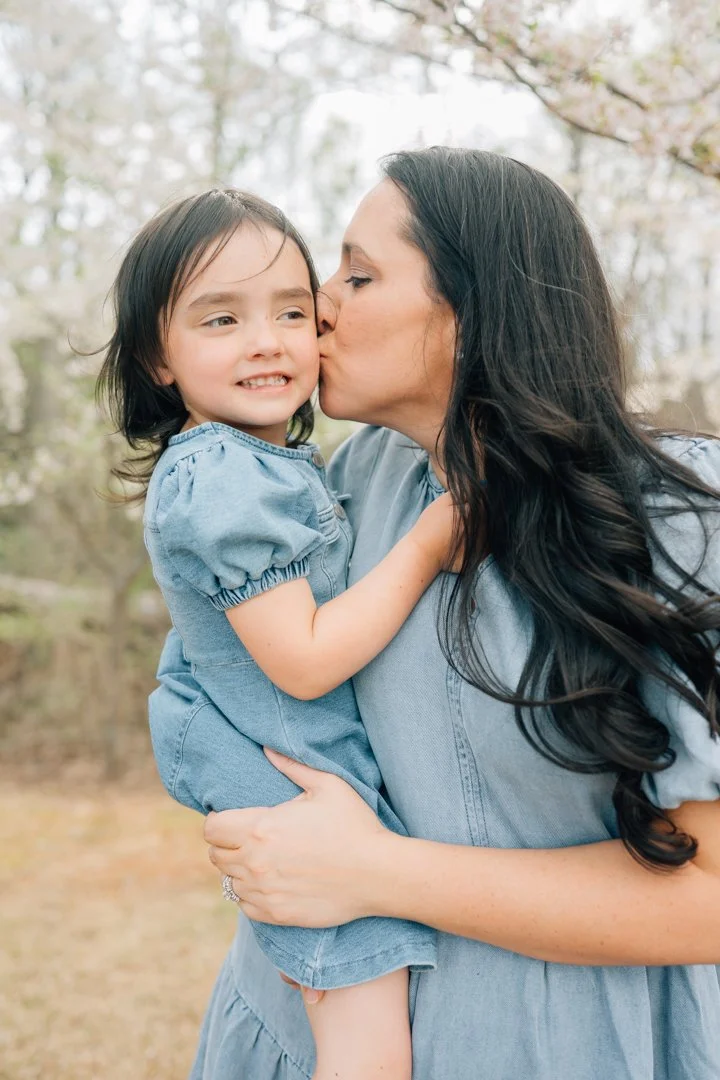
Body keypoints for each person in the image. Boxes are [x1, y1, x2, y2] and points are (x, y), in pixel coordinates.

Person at [153, 148, 720, 1080]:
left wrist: (371, 871)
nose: (318, 301)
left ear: (474, 309)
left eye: (358, 273)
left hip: (557, 1043)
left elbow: (707, 897)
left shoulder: (675, 525)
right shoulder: (343, 489)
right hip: (314, 1021)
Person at [96, 187, 466, 1080]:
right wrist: (428, 540)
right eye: (221, 319)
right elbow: (301, 661)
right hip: (288, 766)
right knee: (366, 1031)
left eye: (292, 312)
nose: (267, 340)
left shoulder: (254, 461)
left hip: (275, 752)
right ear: (157, 356)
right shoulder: (223, 474)